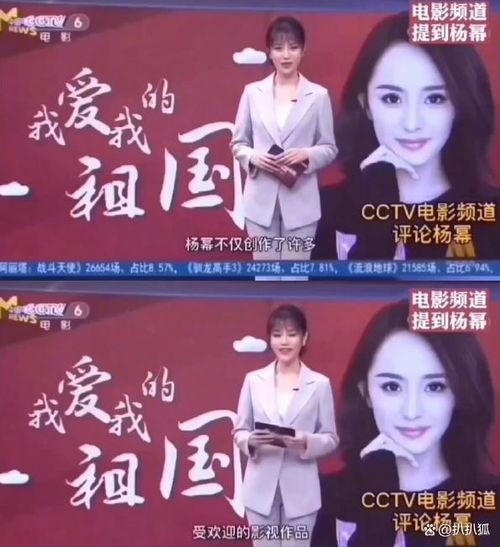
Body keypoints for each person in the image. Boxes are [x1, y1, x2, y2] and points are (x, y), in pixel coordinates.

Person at [312, 12, 500, 260]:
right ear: (365, 104)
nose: (412, 124)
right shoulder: (319, 212)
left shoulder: (491, 214)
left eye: (435, 98)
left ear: (459, 104)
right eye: (392, 98)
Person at [312, 300, 499, 546]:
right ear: (365, 392)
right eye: (392, 386)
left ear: (458, 393)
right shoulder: (320, 500)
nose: (411, 412)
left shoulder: (490, 502)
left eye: (435, 386)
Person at [231, 16, 337, 263]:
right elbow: (238, 144)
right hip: (260, 204)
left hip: (301, 203)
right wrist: (254, 157)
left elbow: (329, 147)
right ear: (270, 52)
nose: (286, 55)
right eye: (278, 48)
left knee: (295, 276)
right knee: (265, 274)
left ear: (303, 50)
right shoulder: (252, 93)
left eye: (293, 47)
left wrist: (306, 155)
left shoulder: (318, 96)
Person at [233, 304, 338, 546]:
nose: (284, 341)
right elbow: (239, 430)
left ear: (304, 338)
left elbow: (331, 437)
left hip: (301, 492)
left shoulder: (320, 384)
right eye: (277, 334)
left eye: (291, 334)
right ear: (270, 339)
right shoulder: (253, 380)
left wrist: (306, 441)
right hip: (260, 491)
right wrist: (250, 440)